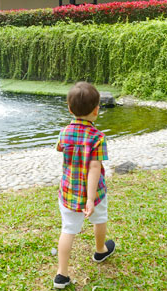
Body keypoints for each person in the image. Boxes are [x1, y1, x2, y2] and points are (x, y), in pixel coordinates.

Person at [53, 81, 116, 289]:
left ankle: (61, 275)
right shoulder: (98, 137)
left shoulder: (64, 132)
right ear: (97, 110)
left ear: (70, 110)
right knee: (100, 219)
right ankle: (100, 251)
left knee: (68, 229)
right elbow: (95, 168)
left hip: (69, 192)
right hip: (95, 193)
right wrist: (89, 199)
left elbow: (60, 148)